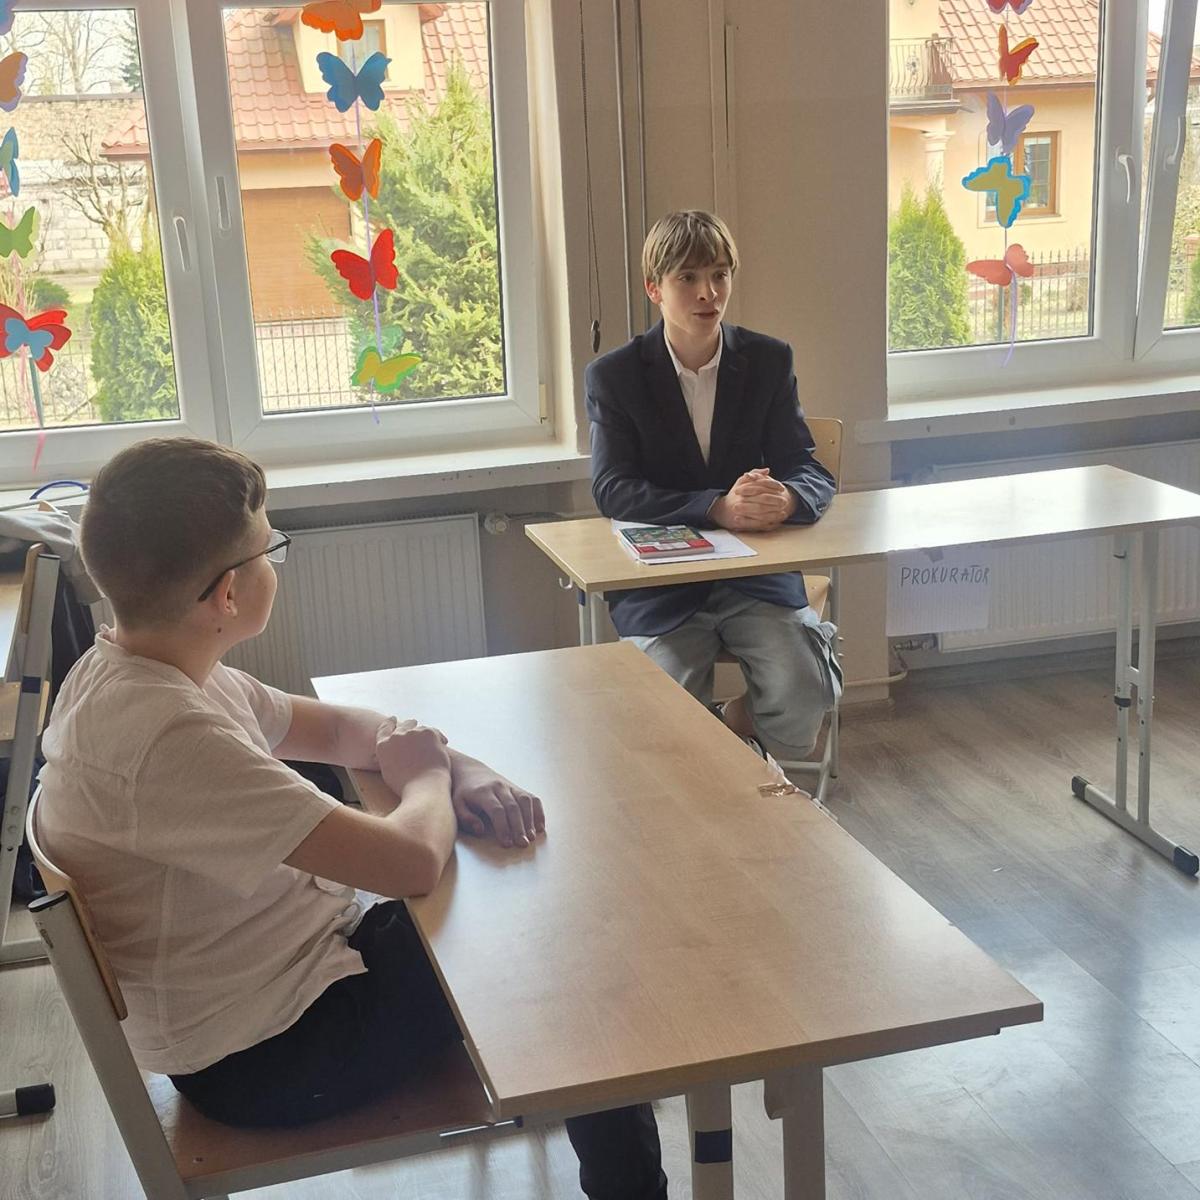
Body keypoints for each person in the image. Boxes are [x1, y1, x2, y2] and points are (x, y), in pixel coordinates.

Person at [35, 437, 666, 1200]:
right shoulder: (170, 736)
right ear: (227, 595)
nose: (276, 561)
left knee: (521, 905)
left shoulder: (133, 670)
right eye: (271, 548)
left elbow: (337, 731)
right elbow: (409, 862)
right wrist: (429, 775)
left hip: (285, 990)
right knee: (575, 955)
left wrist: (459, 767)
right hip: (272, 1056)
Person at [586, 210, 842, 764]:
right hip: (664, 588)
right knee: (665, 713)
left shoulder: (769, 360)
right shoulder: (615, 376)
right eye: (688, 278)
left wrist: (788, 497)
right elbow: (612, 489)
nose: (709, 293)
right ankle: (717, 788)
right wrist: (716, 507)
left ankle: (732, 728)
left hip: (756, 576)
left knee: (807, 689)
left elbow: (808, 469)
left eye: (720, 275)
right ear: (654, 288)